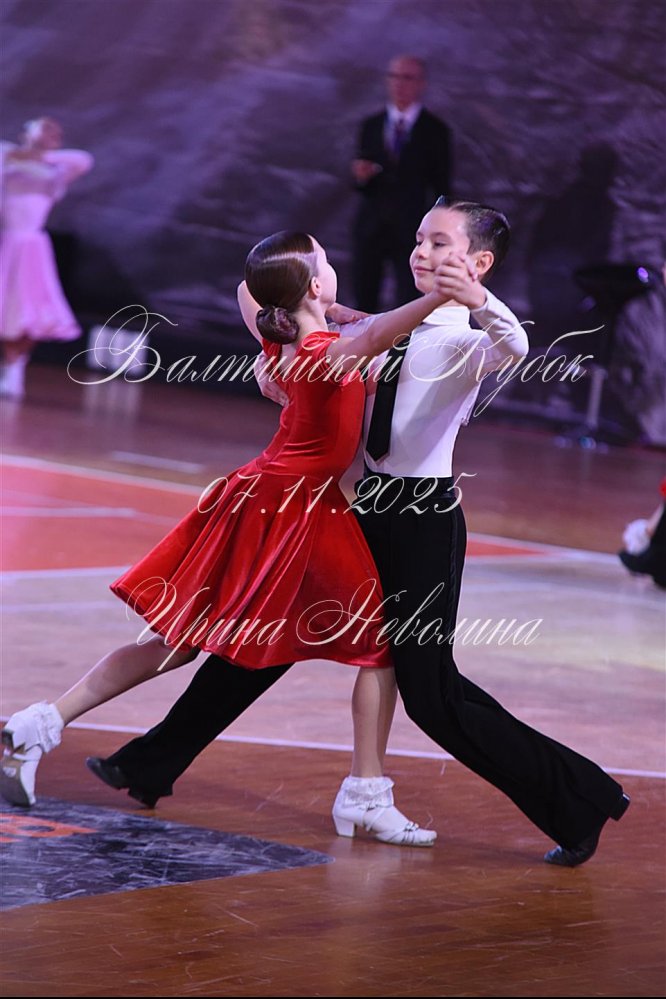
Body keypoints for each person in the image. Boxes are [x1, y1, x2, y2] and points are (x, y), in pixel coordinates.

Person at [74, 199, 630, 868]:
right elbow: (287, 310)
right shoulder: (377, 326)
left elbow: (514, 345)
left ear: (479, 262)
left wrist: (477, 298)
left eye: (441, 244)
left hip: (421, 521)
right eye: (419, 239)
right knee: (263, 632)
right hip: (354, 508)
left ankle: (579, 798)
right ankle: (151, 762)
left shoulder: (467, 341)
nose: (422, 252)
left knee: (433, 696)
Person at [1, 230, 460, 846]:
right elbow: (375, 334)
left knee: (177, 643)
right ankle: (365, 795)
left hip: (264, 499)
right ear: (313, 285)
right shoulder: (324, 351)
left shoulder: (282, 339)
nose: (333, 268)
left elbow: (252, 286)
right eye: (326, 263)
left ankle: (39, 722)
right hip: (291, 510)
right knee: (376, 646)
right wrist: (443, 295)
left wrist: (332, 307)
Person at [0, 117, 93, 399]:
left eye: (54, 131)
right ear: (26, 133)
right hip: (6, 242)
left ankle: (15, 367)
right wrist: (24, 153)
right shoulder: (7, 158)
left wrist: (43, 155)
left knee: (27, 309)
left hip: (31, 248)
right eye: (43, 128)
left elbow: (84, 160)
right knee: (5, 308)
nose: (49, 133)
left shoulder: (56, 171)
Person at [351, 54, 452, 313]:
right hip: (371, 227)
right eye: (394, 76)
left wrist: (438, 232)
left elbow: (442, 186)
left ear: (421, 83)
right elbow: (361, 182)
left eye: (407, 77)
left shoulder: (436, 131)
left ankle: (402, 342)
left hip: (412, 230)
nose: (399, 83)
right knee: (364, 298)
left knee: (409, 301)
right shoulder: (371, 125)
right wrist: (361, 176)